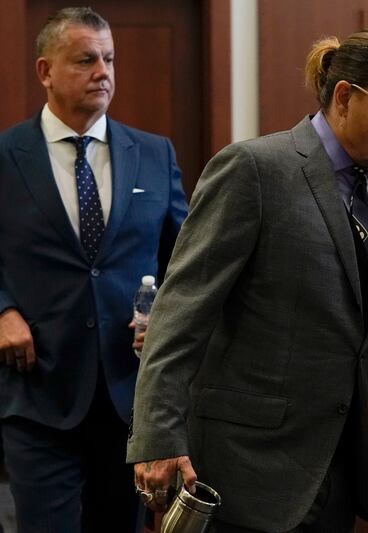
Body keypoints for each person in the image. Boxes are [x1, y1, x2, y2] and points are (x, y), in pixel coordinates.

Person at [127, 28, 368, 533]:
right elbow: (179, 315)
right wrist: (157, 438)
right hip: (245, 474)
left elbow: (347, 327)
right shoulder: (254, 169)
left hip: (334, 475)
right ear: (346, 97)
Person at [0, 7, 188, 533]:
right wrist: (2, 310)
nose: (103, 72)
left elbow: (189, 263)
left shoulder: (153, 153)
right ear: (45, 71)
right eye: (85, 60)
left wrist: (165, 316)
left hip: (130, 394)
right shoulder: (6, 156)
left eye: (109, 59)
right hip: (38, 390)